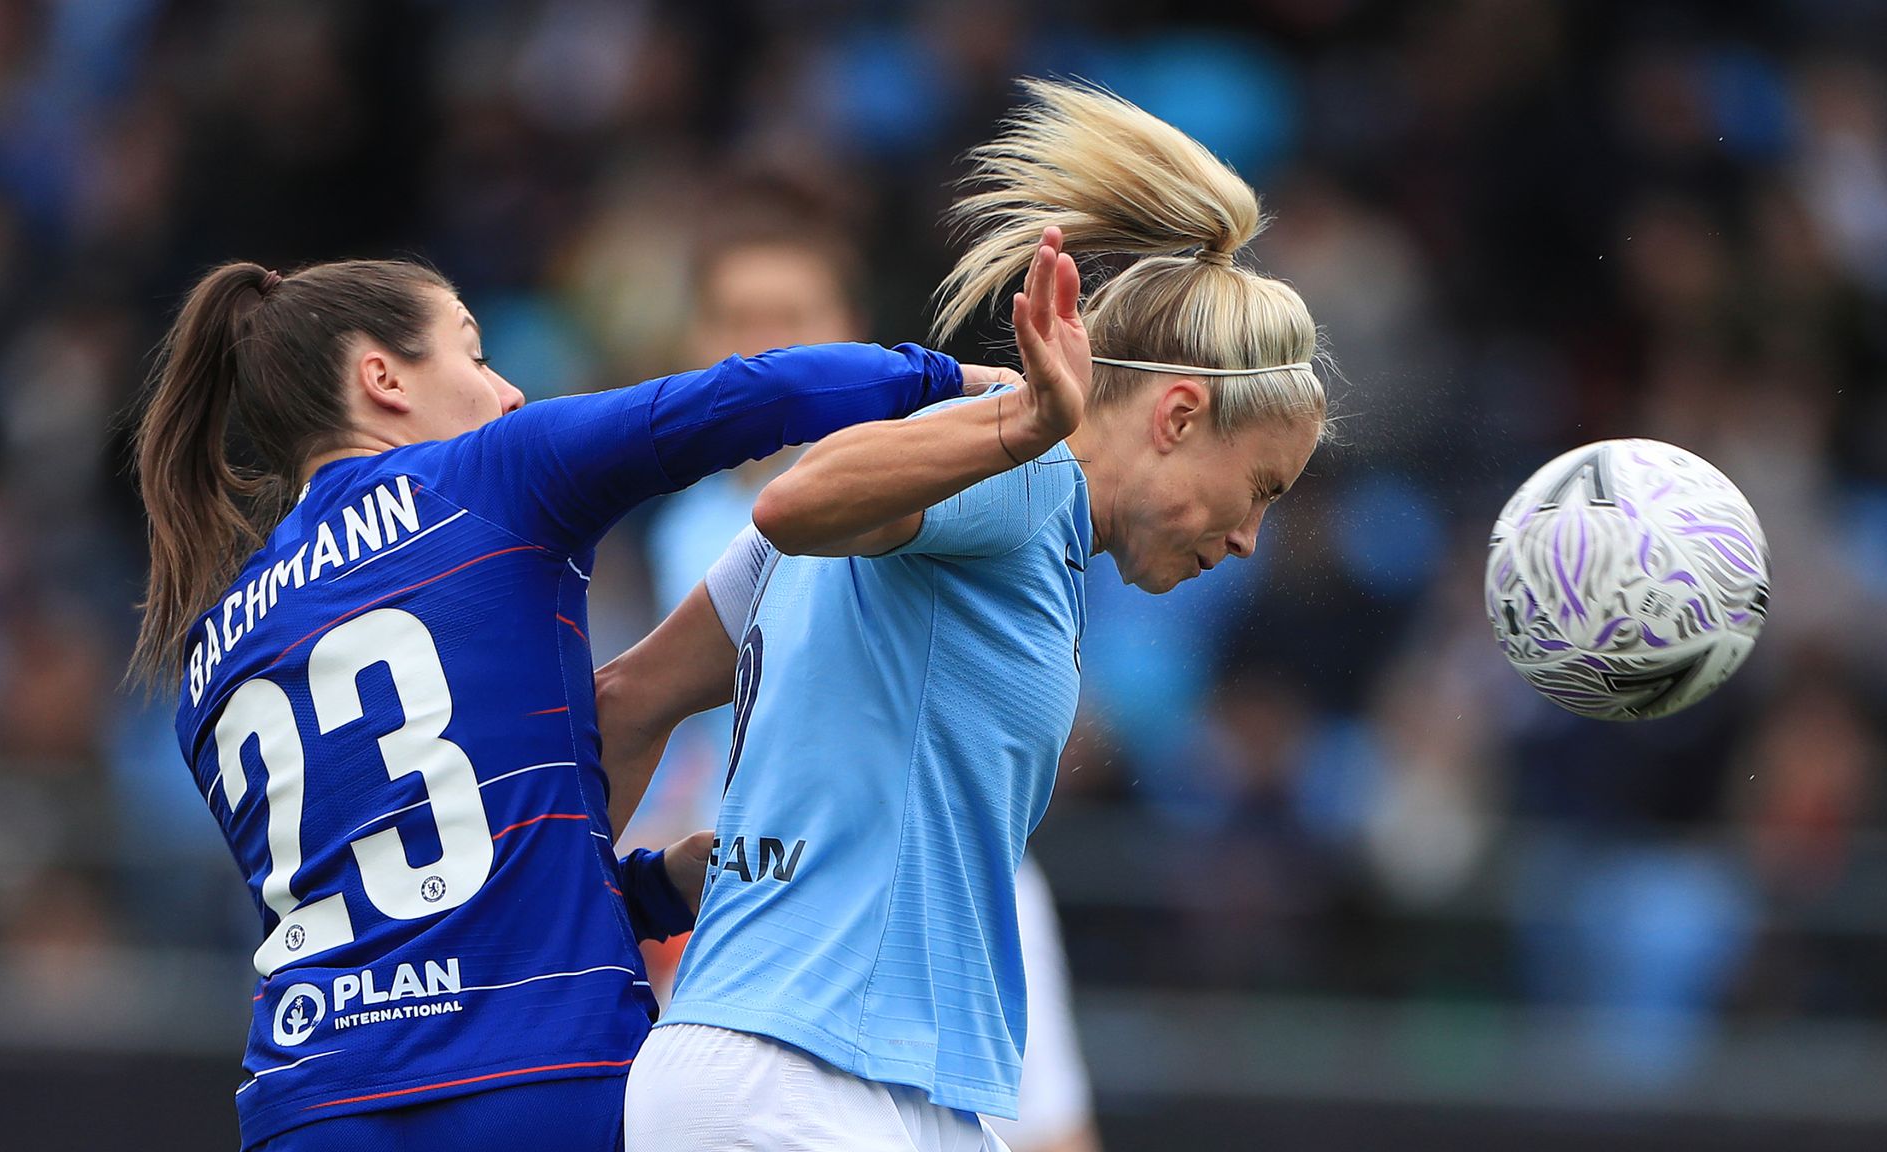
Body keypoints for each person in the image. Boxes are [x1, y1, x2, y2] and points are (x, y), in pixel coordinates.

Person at [128, 257, 1011, 1151]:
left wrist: (658, 890)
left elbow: (395, 918)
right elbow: (739, 397)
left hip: (307, 1105)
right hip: (531, 1075)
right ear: (382, 378)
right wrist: (962, 383)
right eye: (473, 357)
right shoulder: (479, 481)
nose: (508, 393)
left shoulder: (211, 657)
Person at [608, 81, 1330, 1150]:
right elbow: (796, 500)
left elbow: (624, 701)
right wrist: (1022, 423)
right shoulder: (1021, 470)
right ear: (1179, 415)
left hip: (876, 1084)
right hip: (793, 1077)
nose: (1246, 539)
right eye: (1261, 487)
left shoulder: (995, 506)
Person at [624, 176, 1106, 1151]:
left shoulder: (943, 482)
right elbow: (650, 707)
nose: (757, 347)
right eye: (730, 319)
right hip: (743, 898)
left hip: (933, 888)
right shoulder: (684, 528)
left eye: (788, 319)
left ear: (848, 330)